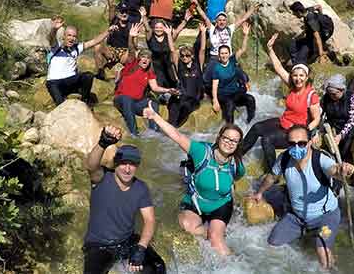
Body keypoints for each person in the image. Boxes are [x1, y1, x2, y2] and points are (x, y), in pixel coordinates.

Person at [142, 105, 245, 257]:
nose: (229, 143)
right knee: (186, 225)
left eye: (234, 141)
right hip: (196, 201)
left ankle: (233, 263)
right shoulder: (201, 152)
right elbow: (177, 136)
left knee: (216, 241)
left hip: (221, 205)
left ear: (238, 145)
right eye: (226, 138)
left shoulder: (237, 165)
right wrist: (155, 116)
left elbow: (235, 179)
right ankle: (208, 231)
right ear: (219, 138)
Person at [251, 124, 354, 272]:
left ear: (310, 142)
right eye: (292, 144)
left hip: (325, 217)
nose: (296, 147)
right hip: (297, 217)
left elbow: (335, 170)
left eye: (301, 143)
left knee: (323, 255)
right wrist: (259, 193)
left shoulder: (320, 160)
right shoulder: (285, 158)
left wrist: (345, 170)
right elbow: (272, 177)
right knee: (273, 243)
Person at [83, 125, 165, 273]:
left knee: (158, 267)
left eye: (132, 164)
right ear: (115, 164)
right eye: (123, 163)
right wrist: (103, 143)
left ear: (137, 166)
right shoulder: (102, 178)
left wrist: (141, 248)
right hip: (99, 245)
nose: (127, 169)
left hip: (126, 242)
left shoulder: (141, 188)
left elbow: (149, 220)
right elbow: (91, 165)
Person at [240, 33, 321, 172]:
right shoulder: (291, 85)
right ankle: (236, 156)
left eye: (301, 76)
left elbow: (316, 118)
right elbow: (278, 68)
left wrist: (306, 132)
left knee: (267, 139)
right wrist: (270, 49)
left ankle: (273, 173)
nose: (298, 79)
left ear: (307, 77)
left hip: (296, 130)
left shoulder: (311, 95)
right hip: (284, 121)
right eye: (295, 75)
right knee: (256, 128)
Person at [113, 23, 178, 136]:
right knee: (127, 99)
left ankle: (154, 133)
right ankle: (134, 133)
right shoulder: (132, 65)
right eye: (143, 57)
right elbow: (132, 50)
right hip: (121, 99)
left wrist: (168, 90)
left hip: (137, 103)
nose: (145, 60)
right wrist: (131, 36)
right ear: (139, 59)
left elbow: (155, 87)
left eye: (148, 58)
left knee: (153, 102)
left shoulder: (149, 72)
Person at [192, 0, 259, 84]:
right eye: (219, 20)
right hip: (215, 58)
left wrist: (252, 9)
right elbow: (204, 17)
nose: (222, 22)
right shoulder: (212, 29)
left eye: (224, 20)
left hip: (228, 57)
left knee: (243, 77)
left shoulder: (230, 29)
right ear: (216, 21)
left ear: (226, 21)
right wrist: (197, 6)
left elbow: (243, 19)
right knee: (205, 78)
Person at [46, 16, 112, 106]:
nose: (71, 38)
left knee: (88, 76)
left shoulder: (77, 48)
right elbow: (51, 38)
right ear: (64, 36)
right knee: (61, 106)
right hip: (54, 83)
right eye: (69, 35)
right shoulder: (56, 47)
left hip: (71, 81)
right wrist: (54, 29)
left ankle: (85, 102)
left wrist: (108, 31)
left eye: (74, 36)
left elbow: (95, 41)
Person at [211, 22, 255, 124]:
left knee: (250, 99)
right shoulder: (217, 68)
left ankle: (249, 122)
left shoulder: (232, 60)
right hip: (224, 96)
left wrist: (245, 35)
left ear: (229, 54)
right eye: (222, 53)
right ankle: (229, 127)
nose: (224, 55)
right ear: (219, 55)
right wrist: (215, 101)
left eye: (226, 53)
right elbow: (214, 86)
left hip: (235, 93)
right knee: (230, 104)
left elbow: (243, 49)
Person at [167, 23, 208, 127]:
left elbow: (202, 50)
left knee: (185, 106)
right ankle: (169, 128)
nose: (185, 57)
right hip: (181, 96)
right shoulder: (179, 65)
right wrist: (168, 35)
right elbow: (172, 50)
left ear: (192, 56)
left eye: (187, 55)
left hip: (193, 99)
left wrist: (203, 33)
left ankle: (175, 127)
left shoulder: (198, 65)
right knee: (173, 104)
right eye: (182, 56)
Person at [142, 8, 192, 91]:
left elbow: (177, 31)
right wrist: (143, 16)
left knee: (173, 84)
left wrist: (185, 20)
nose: (158, 29)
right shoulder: (150, 37)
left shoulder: (168, 37)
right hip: (155, 66)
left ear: (164, 28)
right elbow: (147, 28)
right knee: (160, 86)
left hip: (168, 66)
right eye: (156, 27)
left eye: (161, 27)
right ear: (153, 28)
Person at [319, 74, 354, 160]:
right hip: (333, 127)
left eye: (334, 94)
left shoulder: (353, 98)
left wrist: (340, 136)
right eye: (329, 93)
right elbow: (321, 115)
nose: (331, 96)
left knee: (345, 151)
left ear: (342, 90)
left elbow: (352, 121)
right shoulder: (326, 98)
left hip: (350, 129)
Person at [94, 2, 140, 81]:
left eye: (126, 12)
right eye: (122, 12)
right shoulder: (113, 21)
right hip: (112, 50)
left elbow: (135, 46)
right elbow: (111, 6)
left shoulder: (131, 25)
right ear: (117, 13)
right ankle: (100, 72)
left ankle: (126, 72)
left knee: (135, 53)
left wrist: (133, 36)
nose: (124, 14)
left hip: (125, 52)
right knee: (97, 46)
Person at [288, 1, 333, 66]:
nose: (294, 15)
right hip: (323, 28)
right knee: (293, 44)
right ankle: (295, 63)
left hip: (326, 32)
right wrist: (321, 16)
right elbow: (319, 6)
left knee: (303, 53)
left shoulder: (310, 20)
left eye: (294, 13)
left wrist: (321, 56)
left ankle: (300, 62)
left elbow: (317, 38)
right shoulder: (308, 10)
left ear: (298, 12)